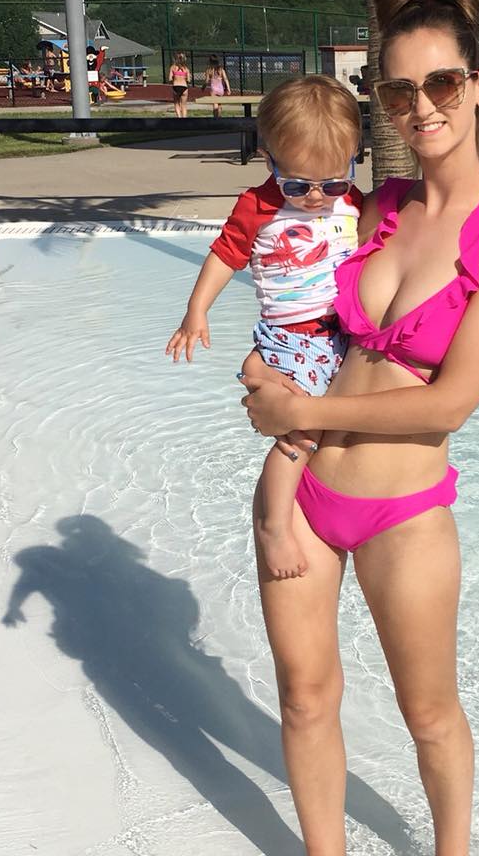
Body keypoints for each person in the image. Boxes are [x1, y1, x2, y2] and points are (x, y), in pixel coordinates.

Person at [238, 0, 479, 853]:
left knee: (429, 716)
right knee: (303, 699)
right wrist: (269, 376)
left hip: (402, 514)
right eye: (401, 90)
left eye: (443, 82)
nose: (424, 107)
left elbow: (446, 406)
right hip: (302, 493)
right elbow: (294, 302)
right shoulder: (376, 207)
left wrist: (295, 416)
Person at [165, 75, 362, 580]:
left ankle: (320, 501)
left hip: (335, 334)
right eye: (298, 184)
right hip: (295, 335)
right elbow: (224, 257)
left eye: (332, 182)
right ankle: (274, 527)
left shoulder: (353, 202)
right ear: (270, 160)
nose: (317, 196)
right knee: (301, 433)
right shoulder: (259, 205)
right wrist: (196, 312)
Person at [168, 52, 191, 118]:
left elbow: (170, 79)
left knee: (176, 103)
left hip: (176, 86)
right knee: (184, 105)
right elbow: (189, 80)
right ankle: (184, 119)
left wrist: (175, 78)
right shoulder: (186, 69)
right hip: (184, 87)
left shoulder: (173, 67)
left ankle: (179, 117)